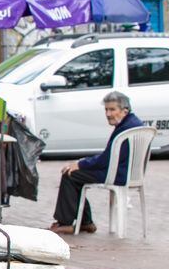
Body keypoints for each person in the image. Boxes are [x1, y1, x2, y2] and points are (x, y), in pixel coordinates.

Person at [49, 91, 143, 235]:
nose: (108, 114)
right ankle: (86, 222)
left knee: (70, 174)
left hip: (117, 174)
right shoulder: (134, 123)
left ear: (124, 110)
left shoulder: (125, 128)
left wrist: (80, 164)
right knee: (75, 174)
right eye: (106, 109)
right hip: (126, 172)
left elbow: (106, 159)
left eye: (112, 109)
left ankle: (67, 223)